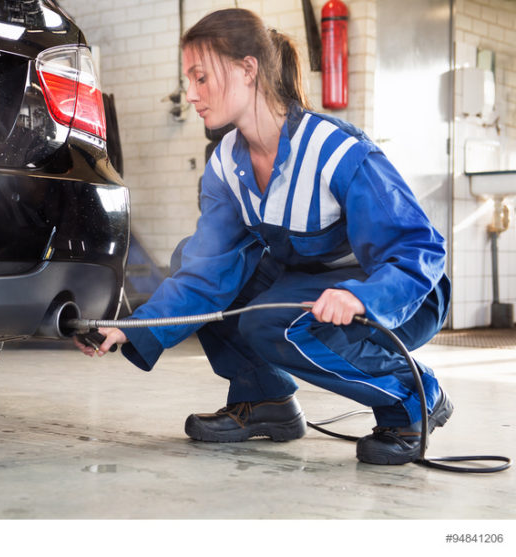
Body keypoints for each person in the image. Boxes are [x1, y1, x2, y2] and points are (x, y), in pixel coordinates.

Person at [74, 8, 453, 465]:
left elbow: (418, 248)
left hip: (399, 295)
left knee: (267, 320)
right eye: (187, 81)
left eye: (201, 78)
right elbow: (204, 274)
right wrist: (132, 326)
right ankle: (266, 399)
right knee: (189, 259)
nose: (191, 95)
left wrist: (361, 297)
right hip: (306, 287)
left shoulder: (333, 150)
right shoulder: (226, 166)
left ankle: (414, 397)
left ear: (247, 69)